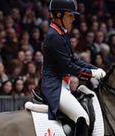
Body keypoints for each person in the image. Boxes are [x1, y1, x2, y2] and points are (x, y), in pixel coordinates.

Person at [41, 0, 106, 136]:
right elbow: (69, 66)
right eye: (70, 15)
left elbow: (74, 59)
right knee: (82, 117)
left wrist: (95, 69)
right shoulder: (54, 37)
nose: (73, 18)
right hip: (55, 86)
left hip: (64, 85)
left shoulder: (61, 33)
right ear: (59, 14)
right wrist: (92, 74)